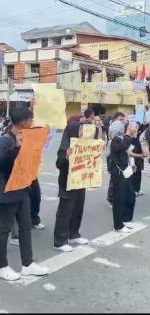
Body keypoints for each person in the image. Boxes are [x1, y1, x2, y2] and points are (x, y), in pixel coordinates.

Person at [0, 107, 48, 281]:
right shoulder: (6, 141)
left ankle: (28, 264)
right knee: (4, 230)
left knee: (26, 227)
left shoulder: (27, 137)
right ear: (22, 123)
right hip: (7, 192)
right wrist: (17, 148)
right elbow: (2, 164)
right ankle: (2, 266)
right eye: (30, 121)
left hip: (22, 189)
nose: (33, 123)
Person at [53, 108, 98, 252]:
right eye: (79, 129)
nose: (81, 131)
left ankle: (74, 234)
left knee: (78, 208)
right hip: (67, 183)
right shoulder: (66, 146)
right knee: (65, 211)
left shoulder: (83, 144)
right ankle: (60, 240)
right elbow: (59, 164)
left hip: (80, 182)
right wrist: (66, 157)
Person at [108, 124, 137, 232]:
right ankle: (118, 225)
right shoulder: (116, 139)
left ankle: (126, 219)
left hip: (127, 169)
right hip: (119, 171)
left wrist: (133, 164)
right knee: (119, 198)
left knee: (130, 195)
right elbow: (123, 146)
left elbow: (128, 152)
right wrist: (129, 134)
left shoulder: (126, 138)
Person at [106, 112, 126, 207]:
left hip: (121, 163)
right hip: (115, 163)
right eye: (120, 120)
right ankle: (111, 198)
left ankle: (118, 197)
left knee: (121, 180)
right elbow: (110, 154)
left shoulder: (121, 138)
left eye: (123, 120)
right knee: (114, 180)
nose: (122, 122)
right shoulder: (114, 141)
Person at [132, 122, 148, 196]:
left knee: (138, 174)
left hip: (139, 158)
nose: (136, 128)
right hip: (134, 159)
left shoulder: (137, 136)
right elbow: (131, 151)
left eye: (137, 127)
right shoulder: (130, 138)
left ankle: (137, 189)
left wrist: (143, 152)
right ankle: (133, 190)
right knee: (134, 175)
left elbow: (143, 128)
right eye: (135, 127)